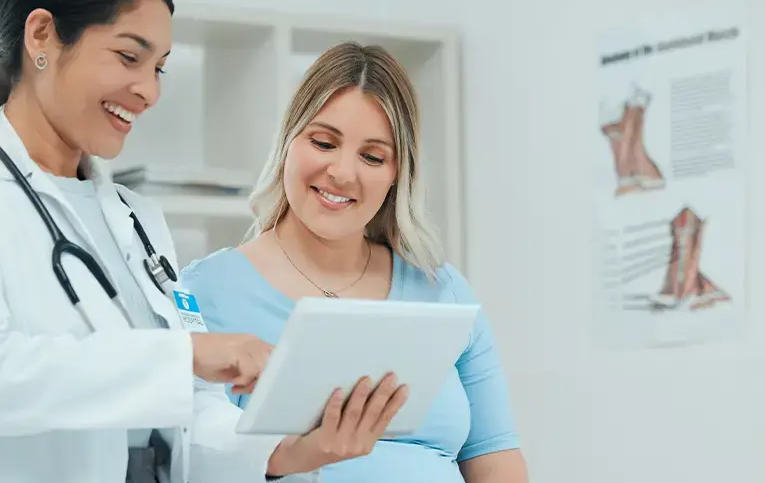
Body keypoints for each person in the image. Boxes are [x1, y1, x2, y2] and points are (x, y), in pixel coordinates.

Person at [0, 0, 408, 483]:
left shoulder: (139, 221)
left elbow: (186, 408)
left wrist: (286, 451)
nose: (149, 91)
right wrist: (185, 355)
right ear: (42, 35)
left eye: (159, 68)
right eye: (129, 57)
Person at [179, 42, 530, 483]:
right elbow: (184, 458)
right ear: (288, 142)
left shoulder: (443, 289)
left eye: (372, 156)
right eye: (324, 143)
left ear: (397, 173)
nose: (343, 173)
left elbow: (496, 460)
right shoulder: (203, 291)